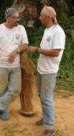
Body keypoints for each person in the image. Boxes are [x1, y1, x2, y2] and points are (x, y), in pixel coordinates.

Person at [29, 5, 66, 136]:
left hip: (49, 71)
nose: (39, 18)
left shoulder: (58, 32)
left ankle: (50, 128)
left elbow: (56, 52)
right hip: (41, 69)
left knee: (47, 98)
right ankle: (46, 118)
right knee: (42, 96)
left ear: (48, 17)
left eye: (41, 16)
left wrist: (37, 50)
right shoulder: (47, 30)